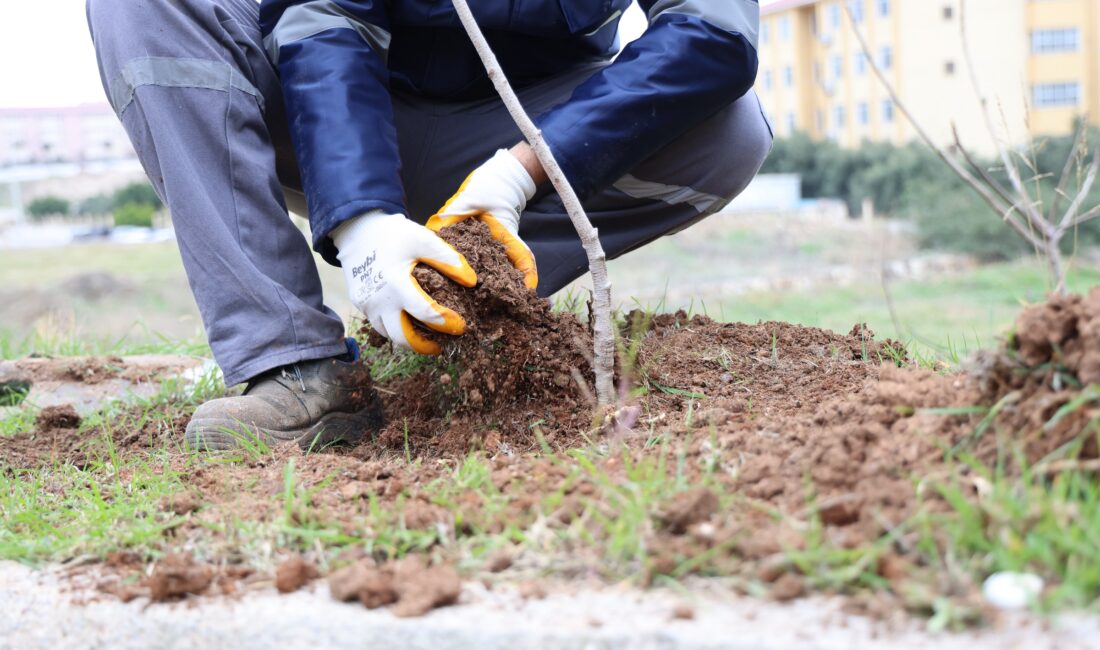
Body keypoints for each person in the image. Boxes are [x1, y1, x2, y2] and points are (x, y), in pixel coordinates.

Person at [86, 0, 772, 450]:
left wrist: (524, 172)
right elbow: (326, 18)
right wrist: (359, 218)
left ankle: (458, 300)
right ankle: (296, 366)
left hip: (519, 130)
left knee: (731, 132)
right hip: (319, 115)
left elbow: (714, 32)